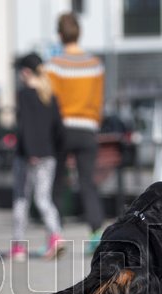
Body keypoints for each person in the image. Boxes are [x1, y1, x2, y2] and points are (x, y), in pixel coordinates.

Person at [46, 12, 106, 252]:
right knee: (87, 182)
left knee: (57, 182)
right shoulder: (95, 65)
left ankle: (56, 233)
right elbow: (99, 99)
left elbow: (50, 101)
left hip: (62, 127)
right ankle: (96, 232)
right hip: (87, 127)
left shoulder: (54, 66)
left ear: (60, 35)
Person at [11, 53, 65, 262]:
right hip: (48, 155)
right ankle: (55, 234)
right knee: (44, 199)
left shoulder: (24, 94)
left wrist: (30, 151)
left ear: (26, 72)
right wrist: (55, 151)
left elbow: (26, 125)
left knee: (21, 199)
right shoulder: (50, 95)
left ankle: (18, 246)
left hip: (27, 155)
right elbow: (58, 128)